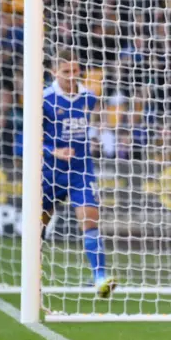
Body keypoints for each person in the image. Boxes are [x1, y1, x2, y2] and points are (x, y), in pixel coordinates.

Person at [21, 49, 116, 297]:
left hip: (80, 170)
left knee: (90, 217)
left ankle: (100, 278)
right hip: (50, 170)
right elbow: (27, 137)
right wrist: (54, 151)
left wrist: (96, 135)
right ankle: (31, 275)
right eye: (66, 72)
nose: (72, 76)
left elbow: (94, 122)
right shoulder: (44, 98)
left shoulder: (89, 97)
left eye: (75, 71)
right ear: (54, 72)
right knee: (38, 223)